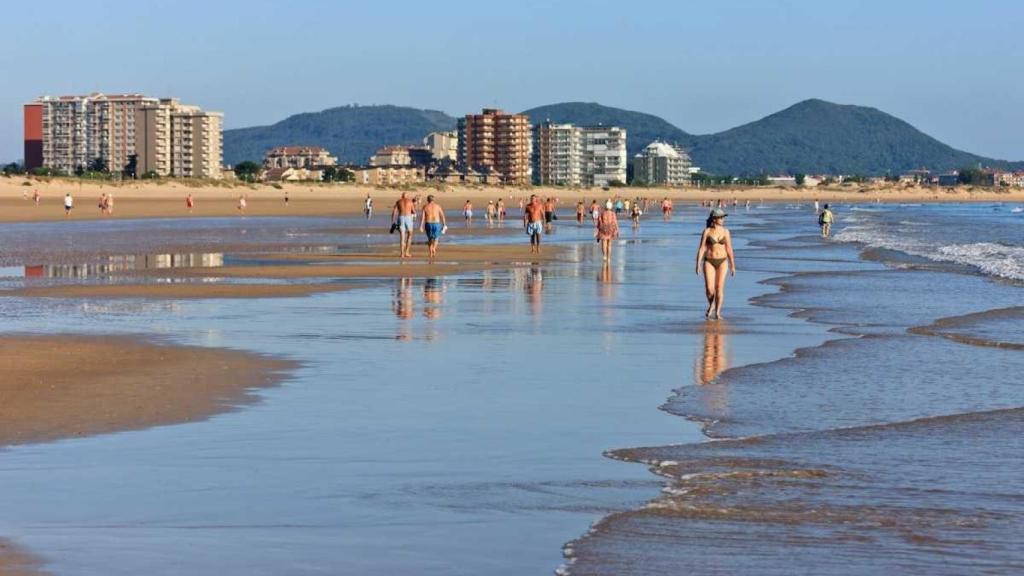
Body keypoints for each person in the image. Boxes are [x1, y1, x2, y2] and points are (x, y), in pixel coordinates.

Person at [696, 208, 736, 320]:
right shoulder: (707, 231)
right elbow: (702, 248)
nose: (723, 219)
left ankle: (718, 312)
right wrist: (698, 264)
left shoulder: (726, 232)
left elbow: (729, 249)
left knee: (719, 288)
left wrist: (732, 265)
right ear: (714, 219)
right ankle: (711, 304)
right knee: (709, 289)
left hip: (722, 261)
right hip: (709, 261)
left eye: (723, 217)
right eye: (721, 217)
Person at [420, 194, 447, 260]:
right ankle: (434, 248)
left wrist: (421, 226)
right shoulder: (437, 206)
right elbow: (442, 216)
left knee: (430, 238)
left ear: (427, 200)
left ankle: (430, 252)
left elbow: (423, 218)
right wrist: (444, 224)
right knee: (436, 238)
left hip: (428, 223)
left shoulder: (425, 206)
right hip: (436, 223)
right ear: (433, 200)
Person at [391, 192, 416, 258]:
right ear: (407, 196)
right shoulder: (410, 201)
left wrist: (393, 221)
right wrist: (413, 218)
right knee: (410, 235)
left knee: (402, 236)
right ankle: (407, 252)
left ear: (402, 196)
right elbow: (413, 211)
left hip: (401, 217)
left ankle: (402, 254)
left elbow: (394, 212)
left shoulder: (398, 201)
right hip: (408, 217)